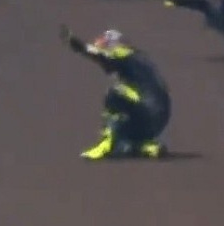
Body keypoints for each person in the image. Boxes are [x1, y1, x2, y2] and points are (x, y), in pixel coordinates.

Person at [60, 26, 171, 160]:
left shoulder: (121, 53)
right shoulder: (140, 58)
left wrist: (77, 45)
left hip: (148, 111)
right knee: (125, 141)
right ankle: (147, 146)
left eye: (103, 42)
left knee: (114, 94)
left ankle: (105, 144)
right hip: (159, 118)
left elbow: (99, 55)